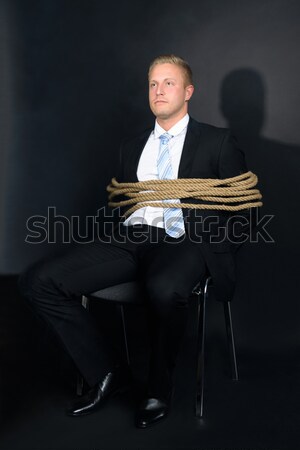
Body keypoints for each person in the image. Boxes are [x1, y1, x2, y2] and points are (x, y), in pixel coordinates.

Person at [19, 55, 249, 428]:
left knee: (163, 286)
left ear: (188, 92)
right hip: (132, 238)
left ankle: (158, 389)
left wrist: (214, 251)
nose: (158, 91)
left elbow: (244, 211)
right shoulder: (131, 146)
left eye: (169, 83)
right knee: (38, 281)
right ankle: (108, 373)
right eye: (153, 84)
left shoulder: (217, 142)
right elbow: (123, 205)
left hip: (185, 240)